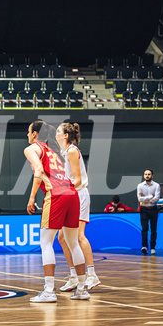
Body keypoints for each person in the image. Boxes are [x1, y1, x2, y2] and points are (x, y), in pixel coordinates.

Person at [24, 120, 88, 303]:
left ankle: (49, 291)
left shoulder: (31, 149)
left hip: (56, 195)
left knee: (45, 243)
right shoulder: (54, 151)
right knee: (72, 242)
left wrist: (32, 197)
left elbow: (38, 170)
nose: (27, 135)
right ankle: (82, 289)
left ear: (35, 134)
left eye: (28, 132)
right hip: (72, 194)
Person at [55, 122, 101, 292]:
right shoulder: (64, 152)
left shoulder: (72, 151)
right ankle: (74, 276)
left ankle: (92, 275)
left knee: (79, 236)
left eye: (58, 131)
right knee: (62, 238)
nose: (56, 133)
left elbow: (78, 180)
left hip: (78, 195)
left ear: (66, 135)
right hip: (69, 195)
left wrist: (61, 189)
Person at [137, 169, 160, 255]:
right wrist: (150, 197)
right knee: (144, 229)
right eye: (146, 174)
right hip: (144, 209)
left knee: (153, 229)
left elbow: (156, 199)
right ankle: (145, 246)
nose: (147, 176)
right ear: (144, 176)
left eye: (149, 174)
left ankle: (153, 247)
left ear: (152, 176)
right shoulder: (140, 186)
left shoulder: (156, 186)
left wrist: (145, 198)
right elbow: (139, 199)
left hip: (153, 209)